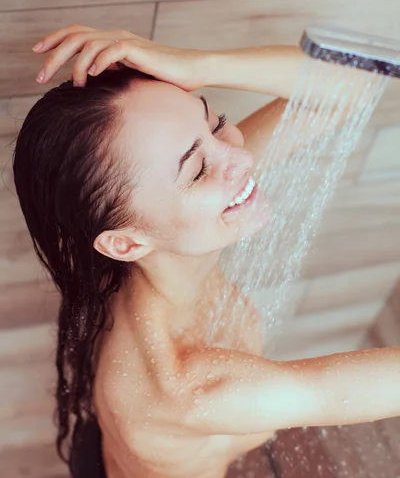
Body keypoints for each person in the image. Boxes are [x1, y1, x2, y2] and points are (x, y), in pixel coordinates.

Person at [13, 24, 400, 478]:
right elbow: (333, 393)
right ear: (126, 242)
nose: (240, 159)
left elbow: (347, 87)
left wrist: (198, 63)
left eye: (214, 120)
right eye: (197, 170)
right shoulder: (190, 386)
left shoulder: (146, 246)